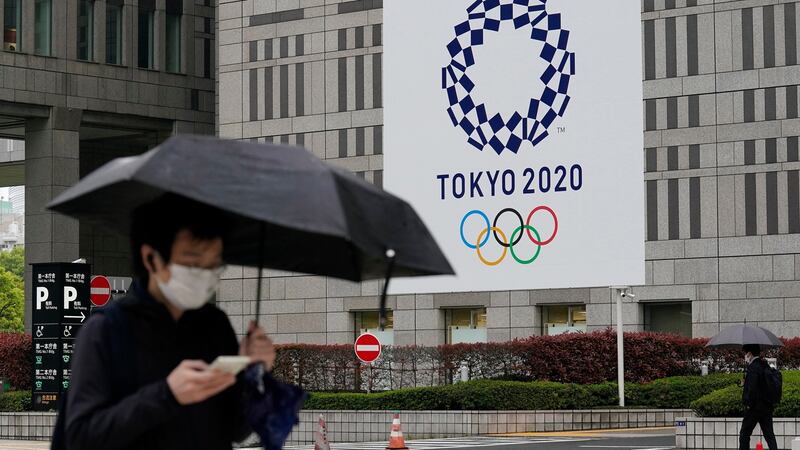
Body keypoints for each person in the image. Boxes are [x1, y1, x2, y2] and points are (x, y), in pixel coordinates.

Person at [64, 195, 276, 450]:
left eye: (213, 265)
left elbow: (237, 428)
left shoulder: (214, 325)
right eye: (192, 263)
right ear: (151, 258)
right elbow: (79, 437)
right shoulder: (106, 330)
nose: (204, 276)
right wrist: (167, 394)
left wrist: (254, 372)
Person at [739, 344, 778, 450]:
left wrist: (747, 404)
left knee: (744, 434)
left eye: (745, 353)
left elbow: (752, 389)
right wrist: (745, 383)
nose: (745, 356)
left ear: (749, 353)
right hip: (766, 406)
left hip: (755, 408)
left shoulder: (753, 368)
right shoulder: (764, 365)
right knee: (769, 435)